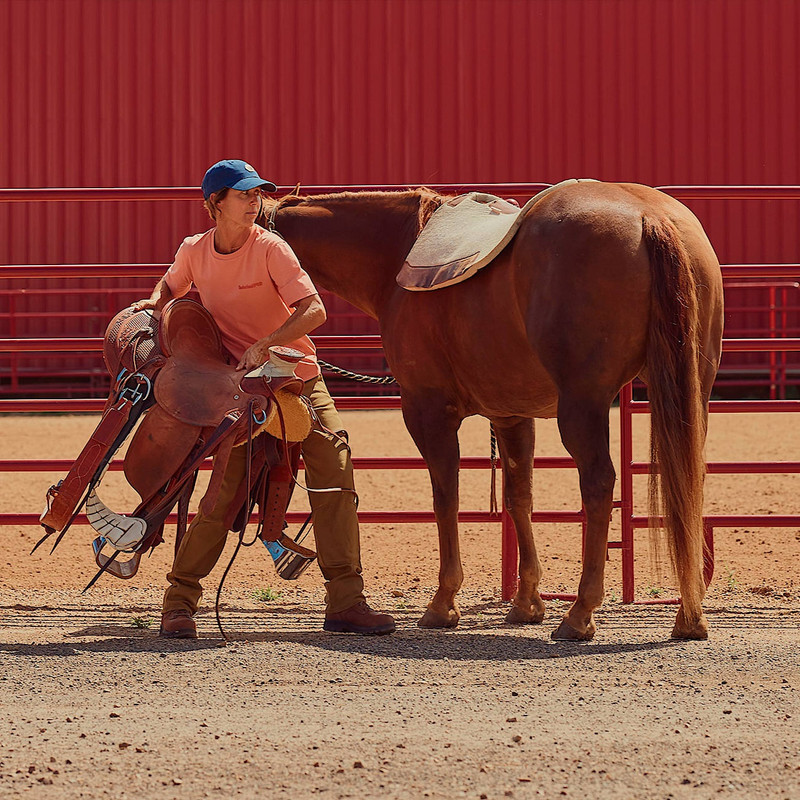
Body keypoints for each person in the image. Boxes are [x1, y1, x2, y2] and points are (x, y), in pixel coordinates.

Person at [133, 159, 395, 638]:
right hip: (237, 384)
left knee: (334, 470)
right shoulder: (194, 250)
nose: (255, 200)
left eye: (258, 193)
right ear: (214, 204)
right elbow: (169, 287)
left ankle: (346, 601)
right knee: (223, 487)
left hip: (294, 373)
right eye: (244, 194)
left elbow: (313, 310)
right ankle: (180, 602)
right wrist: (154, 305)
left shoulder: (272, 248)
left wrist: (266, 342)